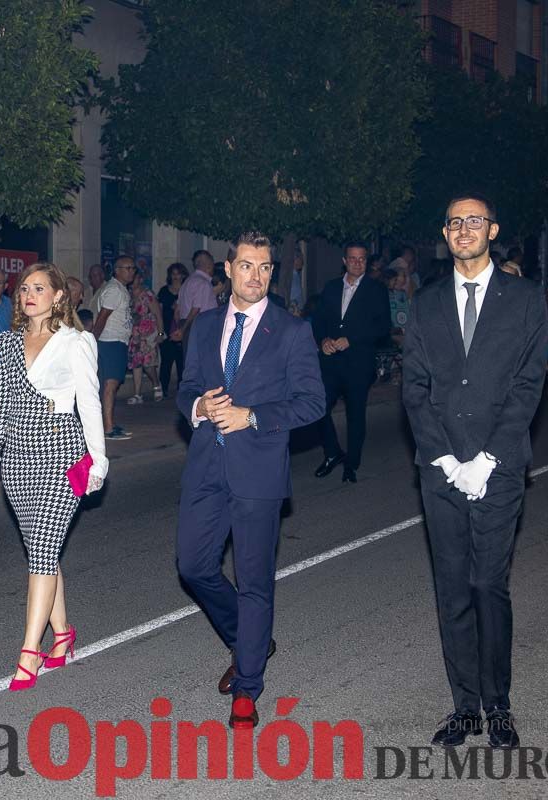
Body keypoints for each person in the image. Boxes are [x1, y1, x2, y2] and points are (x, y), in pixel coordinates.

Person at [402, 193, 547, 750]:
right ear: (445, 234)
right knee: (453, 590)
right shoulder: (427, 302)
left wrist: (486, 460)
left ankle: (499, 707)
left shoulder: (526, 300)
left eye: (474, 221)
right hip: (440, 471)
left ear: (493, 230)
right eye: (455, 222)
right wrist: (445, 460)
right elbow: (414, 388)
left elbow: (529, 385)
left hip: (500, 467)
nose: (464, 230)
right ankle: (464, 708)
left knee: (489, 585)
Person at [175, 232, 324, 728]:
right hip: (206, 466)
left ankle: (248, 685)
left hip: (258, 472)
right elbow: (188, 387)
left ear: (271, 273)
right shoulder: (206, 326)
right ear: (228, 269)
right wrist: (198, 406)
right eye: (246, 266)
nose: (255, 276)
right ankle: (248, 638)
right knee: (193, 566)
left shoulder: (291, 331)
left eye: (264, 268)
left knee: (254, 581)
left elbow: (312, 403)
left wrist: (252, 416)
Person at [0, 262, 107, 691]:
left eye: (39, 287)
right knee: (42, 551)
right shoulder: (8, 341)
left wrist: (100, 460)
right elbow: (0, 406)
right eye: (24, 288)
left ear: (57, 296)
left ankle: (29, 652)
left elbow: (89, 402)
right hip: (17, 459)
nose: (28, 294)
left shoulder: (76, 342)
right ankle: (64, 634)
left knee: (41, 552)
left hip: (62, 454)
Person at [310, 242, 392, 483]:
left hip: (358, 362)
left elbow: (382, 327)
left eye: (362, 259)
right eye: (353, 259)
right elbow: (319, 319)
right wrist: (322, 339)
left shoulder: (376, 289)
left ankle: (351, 464)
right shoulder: (332, 287)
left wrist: (353, 340)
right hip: (331, 362)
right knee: (318, 408)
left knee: (355, 415)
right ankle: (332, 453)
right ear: (344, 261)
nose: (357, 263)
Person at [90, 256, 135, 440]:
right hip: (111, 342)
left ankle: (109, 423)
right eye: (127, 268)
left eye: (133, 268)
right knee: (110, 384)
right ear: (117, 270)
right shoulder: (114, 290)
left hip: (117, 341)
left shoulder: (119, 289)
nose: (131, 271)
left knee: (111, 385)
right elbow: (103, 316)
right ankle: (108, 428)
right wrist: (93, 340)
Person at [127, 267, 164, 404]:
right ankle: (137, 394)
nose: (132, 281)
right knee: (136, 364)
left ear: (140, 279)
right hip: (134, 334)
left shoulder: (147, 294)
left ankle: (156, 384)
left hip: (148, 334)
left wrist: (160, 333)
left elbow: (158, 314)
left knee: (148, 365)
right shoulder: (128, 294)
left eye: (135, 278)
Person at [172, 250, 218, 347]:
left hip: (187, 324)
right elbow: (196, 309)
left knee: (190, 359)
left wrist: (180, 327)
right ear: (208, 264)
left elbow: (177, 310)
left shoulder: (187, 282)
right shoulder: (203, 283)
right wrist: (183, 329)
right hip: (200, 326)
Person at [157, 262, 188, 396]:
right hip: (168, 330)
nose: (176, 277)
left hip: (182, 330)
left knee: (182, 363)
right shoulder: (164, 291)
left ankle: (182, 390)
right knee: (166, 362)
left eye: (178, 273)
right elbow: (159, 310)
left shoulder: (187, 290)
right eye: (173, 274)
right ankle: (163, 389)